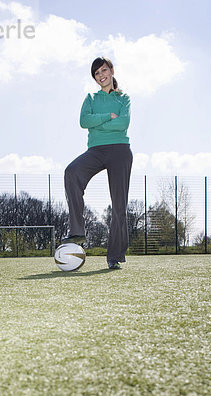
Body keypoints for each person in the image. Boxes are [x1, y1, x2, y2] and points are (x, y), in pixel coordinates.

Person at [62, 57, 133, 270]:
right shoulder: (91, 98)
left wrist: (99, 121)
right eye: (96, 73)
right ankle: (77, 231)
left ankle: (114, 256)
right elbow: (84, 121)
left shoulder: (124, 98)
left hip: (120, 150)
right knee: (72, 172)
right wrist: (108, 117)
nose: (101, 75)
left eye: (103, 70)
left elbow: (124, 123)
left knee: (119, 205)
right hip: (96, 150)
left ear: (111, 71)